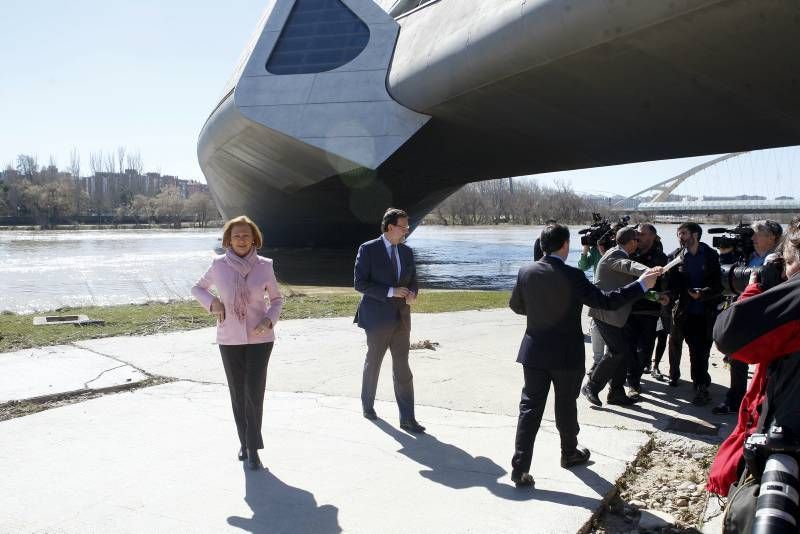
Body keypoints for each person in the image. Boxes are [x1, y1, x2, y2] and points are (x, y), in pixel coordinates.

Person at [508, 224, 661, 487]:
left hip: (534, 351)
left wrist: (539, 314)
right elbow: (606, 301)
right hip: (566, 353)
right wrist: (641, 285)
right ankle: (569, 453)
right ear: (565, 245)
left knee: (529, 408)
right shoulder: (573, 275)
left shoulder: (526, 271)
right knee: (566, 405)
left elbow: (516, 306)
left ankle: (520, 468)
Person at [707, 217, 800, 507]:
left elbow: (729, 335)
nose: (784, 273)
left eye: (786, 263)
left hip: (787, 440)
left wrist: (754, 288)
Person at [191, 215, 284, 470]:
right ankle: (244, 442)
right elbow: (197, 288)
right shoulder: (218, 265)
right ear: (228, 240)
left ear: (254, 238)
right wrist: (213, 303)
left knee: (254, 391)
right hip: (229, 337)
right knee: (238, 392)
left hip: (260, 337)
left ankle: (253, 448)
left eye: (246, 235)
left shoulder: (265, 265)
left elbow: (276, 300)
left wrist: (269, 320)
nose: (241, 240)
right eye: (236, 236)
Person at [354, 208, 424, 433]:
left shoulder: (407, 252)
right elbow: (360, 284)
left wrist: (413, 293)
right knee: (373, 362)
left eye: (407, 226)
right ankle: (367, 405)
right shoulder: (368, 249)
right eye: (403, 226)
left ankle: (408, 418)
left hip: (402, 318)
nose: (407, 230)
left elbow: (413, 280)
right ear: (390, 227)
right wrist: (391, 291)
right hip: (376, 318)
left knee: (402, 367)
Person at [712, 219, 783, 415]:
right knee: (737, 359)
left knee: (767, 366)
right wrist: (725, 254)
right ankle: (735, 400)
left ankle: (765, 404)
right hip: (743, 313)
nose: (752, 238)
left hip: (766, 317)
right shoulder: (747, 256)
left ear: (772, 237)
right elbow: (725, 280)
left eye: (757, 233)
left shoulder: (779, 260)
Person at [582, 227, 650, 406]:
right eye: (637, 239)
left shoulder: (618, 254)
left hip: (614, 314)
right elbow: (629, 266)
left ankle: (616, 393)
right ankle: (592, 386)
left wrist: (657, 296)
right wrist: (649, 270)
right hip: (605, 313)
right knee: (617, 351)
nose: (638, 243)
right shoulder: (615, 255)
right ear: (631, 241)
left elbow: (630, 284)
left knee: (624, 353)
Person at [663, 222, 722, 405]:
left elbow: (718, 286)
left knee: (700, 351)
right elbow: (671, 284)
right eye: (679, 234)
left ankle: (700, 386)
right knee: (675, 344)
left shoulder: (711, 255)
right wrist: (667, 296)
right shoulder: (674, 256)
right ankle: (674, 375)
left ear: (695, 234)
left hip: (704, 312)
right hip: (682, 311)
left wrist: (702, 293)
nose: (680, 237)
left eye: (684, 233)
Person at [627, 223, 668, 393]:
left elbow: (664, 285)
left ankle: (635, 377)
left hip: (649, 310)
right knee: (628, 347)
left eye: (642, 234)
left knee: (644, 350)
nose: (638, 237)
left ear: (652, 236)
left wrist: (665, 297)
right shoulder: (630, 254)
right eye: (636, 234)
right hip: (630, 309)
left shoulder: (660, 258)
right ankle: (633, 383)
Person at [578, 233, 613, 375]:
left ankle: (609, 362)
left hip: (616, 292)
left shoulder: (616, 248)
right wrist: (585, 250)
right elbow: (583, 266)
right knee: (595, 329)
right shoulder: (593, 250)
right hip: (597, 294)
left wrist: (604, 250)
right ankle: (598, 361)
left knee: (612, 331)